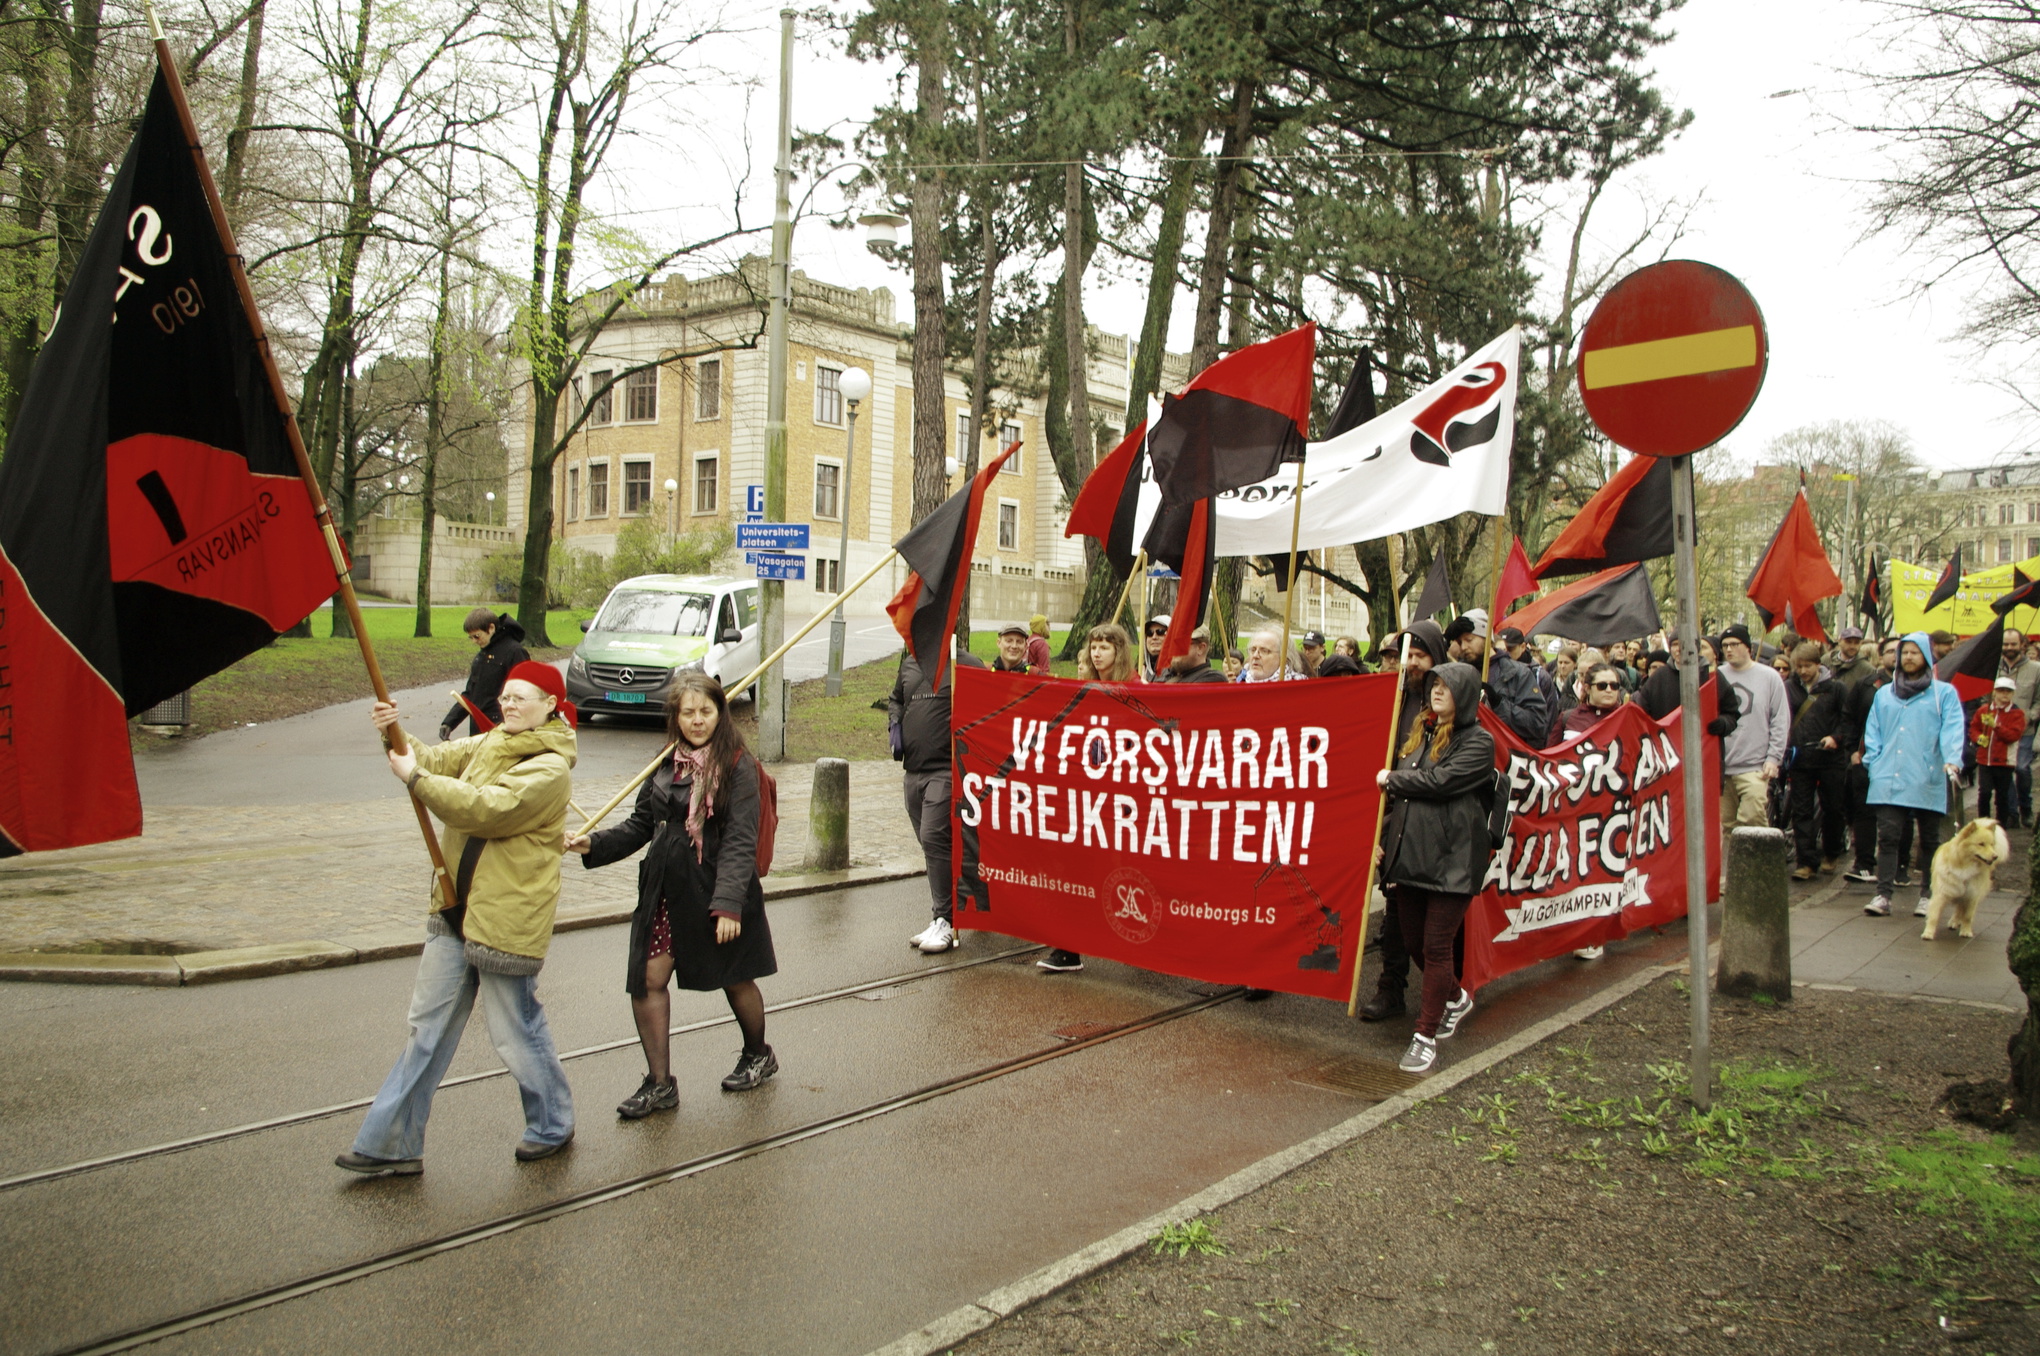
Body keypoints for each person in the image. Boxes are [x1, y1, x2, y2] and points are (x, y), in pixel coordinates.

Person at [338, 664, 578, 1176]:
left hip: (505, 921)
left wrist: (417, 779)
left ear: (551, 706)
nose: (510, 705)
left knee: (515, 1031)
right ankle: (393, 1143)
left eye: (523, 698)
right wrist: (393, 730)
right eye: (507, 697)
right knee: (425, 1030)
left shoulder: (550, 767)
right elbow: (429, 759)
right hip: (453, 908)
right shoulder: (491, 743)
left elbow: (484, 809)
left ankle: (552, 1123)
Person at [570, 672, 779, 1111]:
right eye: (688, 712)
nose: (697, 721)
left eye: (706, 711)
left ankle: (758, 1054)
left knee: (735, 977)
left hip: (719, 889)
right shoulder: (666, 762)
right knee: (647, 980)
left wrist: (727, 906)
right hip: (666, 890)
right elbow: (641, 825)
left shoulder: (737, 765)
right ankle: (660, 1083)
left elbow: (741, 840)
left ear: (721, 713)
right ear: (676, 716)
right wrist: (594, 844)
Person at [1375, 662, 1495, 1074]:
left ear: (1465, 694)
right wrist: (1383, 842)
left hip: (1452, 862)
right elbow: (1402, 801)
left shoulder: (1479, 742)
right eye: (1435, 685)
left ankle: (1424, 1036)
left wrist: (1392, 778)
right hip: (1410, 858)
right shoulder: (1420, 736)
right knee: (1411, 943)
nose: (1438, 691)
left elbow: (1441, 782)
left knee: (1436, 946)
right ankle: (1455, 996)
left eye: (1447, 686)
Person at [1358, 620, 1452, 1022]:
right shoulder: (1391, 698)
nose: (1410, 664)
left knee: (1437, 922)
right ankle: (1391, 987)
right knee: (1397, 909)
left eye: (1418, 656)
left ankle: (1449, 990)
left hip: (1435, 823)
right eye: (1404, 656)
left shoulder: (1450, 703)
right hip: (1393, 818)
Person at [887, 645, 987, 954]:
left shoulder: (966, 663)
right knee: (932, 846)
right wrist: (895, 725)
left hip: (946, 770)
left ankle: (945, 918)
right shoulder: (910, 664)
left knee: (934, 836)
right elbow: (895, 699)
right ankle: (947, 910)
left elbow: (987, 703)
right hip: (913, 770)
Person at [1862, 631, 1967, 919]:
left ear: (1926, 656)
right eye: (1904, 652)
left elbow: (1952, 729)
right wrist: (1874, 759)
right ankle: (1883, 894)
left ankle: (1928, 895)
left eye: (1914, 652)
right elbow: (1874, 729)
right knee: (1889, 836)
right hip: (1888, 776)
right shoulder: (1885, 694)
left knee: (1930, 839)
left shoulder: (1942, 694)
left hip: (1927, 775)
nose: (1908, 657)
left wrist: (1952, 760)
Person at [1785, 640, 1851, 880]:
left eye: (1808, 666)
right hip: (1801, 758)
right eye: (1799, 666)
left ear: (1818, 664)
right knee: (1801, 810)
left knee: (1833, 808)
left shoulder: (1836, 689)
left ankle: (1831, 852)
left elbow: (1848, 719)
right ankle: (1806, 861)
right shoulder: (1789, 687)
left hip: (1830, 759)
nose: (1803, 671)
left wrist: (1836, 737)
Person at [1716, 624, 1789, 829]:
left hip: (1755, 767)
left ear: (1747, 647)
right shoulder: (1716, 676)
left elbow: (1779, 719)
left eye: (1734, 644)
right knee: (1726, 825)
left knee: (1752, 822)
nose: (1729, 649)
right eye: (1725, 645)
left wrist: (1774, 758)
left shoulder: (1769, 677)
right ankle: (1730, 862)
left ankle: (1756, 862)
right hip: (1722, 767)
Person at [1843, 636, 1902, 884]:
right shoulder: (1867, 685)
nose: (1897, 656)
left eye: (1903, 651)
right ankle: (1864, 863)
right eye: (1890, 651)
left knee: (1901, 814)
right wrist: (1852, 751)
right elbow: (1849, 717)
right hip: (1867, 759)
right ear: (1880, 657)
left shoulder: (1921, 688)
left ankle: (1899, 867)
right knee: (1864, 812)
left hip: (1901, 761)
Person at [1443, 611, 1548, 746]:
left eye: (1469, 640)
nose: (1463, 647)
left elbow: (1537, 724)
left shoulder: (1518, 673)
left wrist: (1499, 704)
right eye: (1459, 642)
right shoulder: (1457, 673)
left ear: (1486, 638)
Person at [442, 608, 530, 739]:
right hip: (478, 727)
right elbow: (471, 694)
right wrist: (449, 722)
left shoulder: (514, 651)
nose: (474, 641)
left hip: (503, 726)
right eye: (471, 637)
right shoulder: (481, 655)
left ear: (491, 628)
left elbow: (527, 690)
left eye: (477, 636)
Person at [1971, 675, 2026, 823]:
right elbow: (1974, 728)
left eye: (2008, 691)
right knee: (1984, 793)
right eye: (2001, 691)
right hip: (1985, 760)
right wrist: (1978, 738)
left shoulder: (2017, 713)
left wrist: (1996, 727)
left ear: (2013, 693)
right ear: (1994, 692)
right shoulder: (1984, 710)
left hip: (2004, 761)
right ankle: (1983, 822)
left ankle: (2001, 824)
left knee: (2002, 795)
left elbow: (2013, 736)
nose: (2004, 694)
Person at [1499, 625, 1561, 745]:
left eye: (1510, 649)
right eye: (1501, 650)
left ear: (1523, 647)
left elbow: (1549, 717)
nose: (1505, 654)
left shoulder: (1540, 676)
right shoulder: (1495, 672)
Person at [1556, 663, 1625, 741]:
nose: (1609, 690)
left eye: (1614, 686)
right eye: (1602, 686)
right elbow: (1551, 751)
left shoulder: (1626, 720)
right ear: (1587, 688)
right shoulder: (1568, 718)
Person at [1159, 624, 1229, 683]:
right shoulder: (1169, 676)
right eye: (1172, 643)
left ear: (1201, 648)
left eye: (1180, 643)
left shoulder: (1214, 679)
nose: (1174, 648)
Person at [1139, 613, 1170, 681]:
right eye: (1150, 633)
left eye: (1160, 632)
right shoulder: (1139, 667)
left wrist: (1145, 689)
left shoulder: (1174, 670)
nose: (1154, 637)